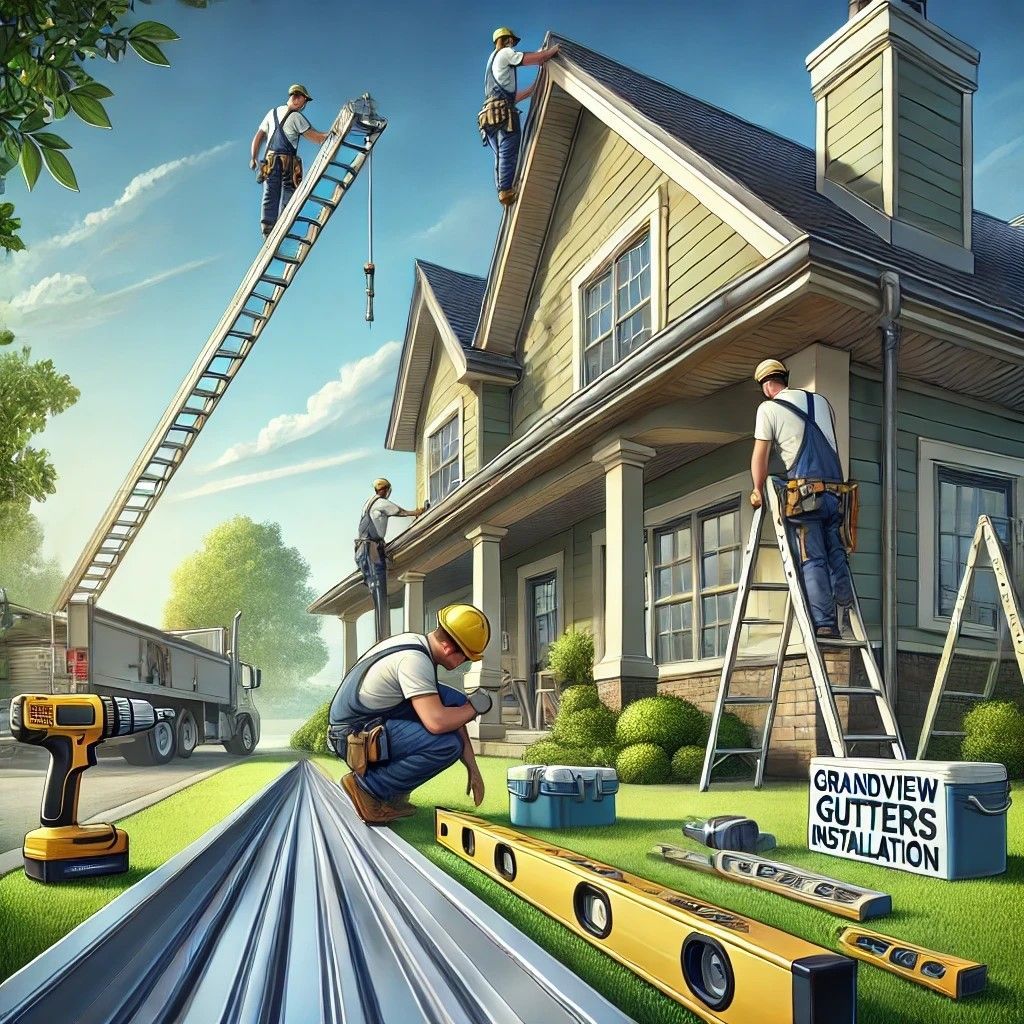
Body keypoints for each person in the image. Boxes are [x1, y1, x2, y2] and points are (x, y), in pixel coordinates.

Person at [328, 604, 494, 825]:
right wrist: (475, 707)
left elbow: (453, 710)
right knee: (446, 745)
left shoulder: (417, 645)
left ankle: (389, 796)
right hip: (354, 736)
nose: (463, 663)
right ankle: (366, 789)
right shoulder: (414, 661)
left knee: (454, 701)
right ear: (448, 647)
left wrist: (472, 767)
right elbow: (437, 722)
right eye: (464, 658)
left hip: (368, 724)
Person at [750, 358, 854, 640]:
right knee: (836, 552)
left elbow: (760, 456)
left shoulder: (768, 408)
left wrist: (758, 489)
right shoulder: (820, 402)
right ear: (785, 378)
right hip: (836, 494)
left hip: (807, 498)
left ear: (766, 386)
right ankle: (845, 601)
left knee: (812, 559)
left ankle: (825, 623)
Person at [478, 28, 559, 207]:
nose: (513, 45)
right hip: (502, 114)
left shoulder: (491, 63)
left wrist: (531, 91)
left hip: (488, 116)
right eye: (512, 42)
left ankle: (503, 188)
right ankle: (506, 191)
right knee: (509, 148)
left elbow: (505, 95)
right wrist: (551, 53)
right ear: (506, 40)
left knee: (499, 154)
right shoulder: (505, 53)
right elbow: (529, 59)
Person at [250, 84, 331, 237]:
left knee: (270, 192)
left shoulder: (272, 112)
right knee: (289, 190)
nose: (302, 104)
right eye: (303, 100)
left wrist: (254, 157)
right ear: (298, 98)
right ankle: (285, 222)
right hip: (287, 163)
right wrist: (334, 133)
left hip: (270, 161)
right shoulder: (296, 117)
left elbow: (259, 136)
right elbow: (317, 138)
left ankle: (268, 228)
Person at [355, 478, 426, 643]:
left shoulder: (368, 504)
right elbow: (400, 511)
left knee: (376, 589)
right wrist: (417, 512)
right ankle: (383, 639)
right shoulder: (380, 503)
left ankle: (382, 637)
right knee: (380, 590)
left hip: (362, 551)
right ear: (385, 490)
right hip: (371, 549)